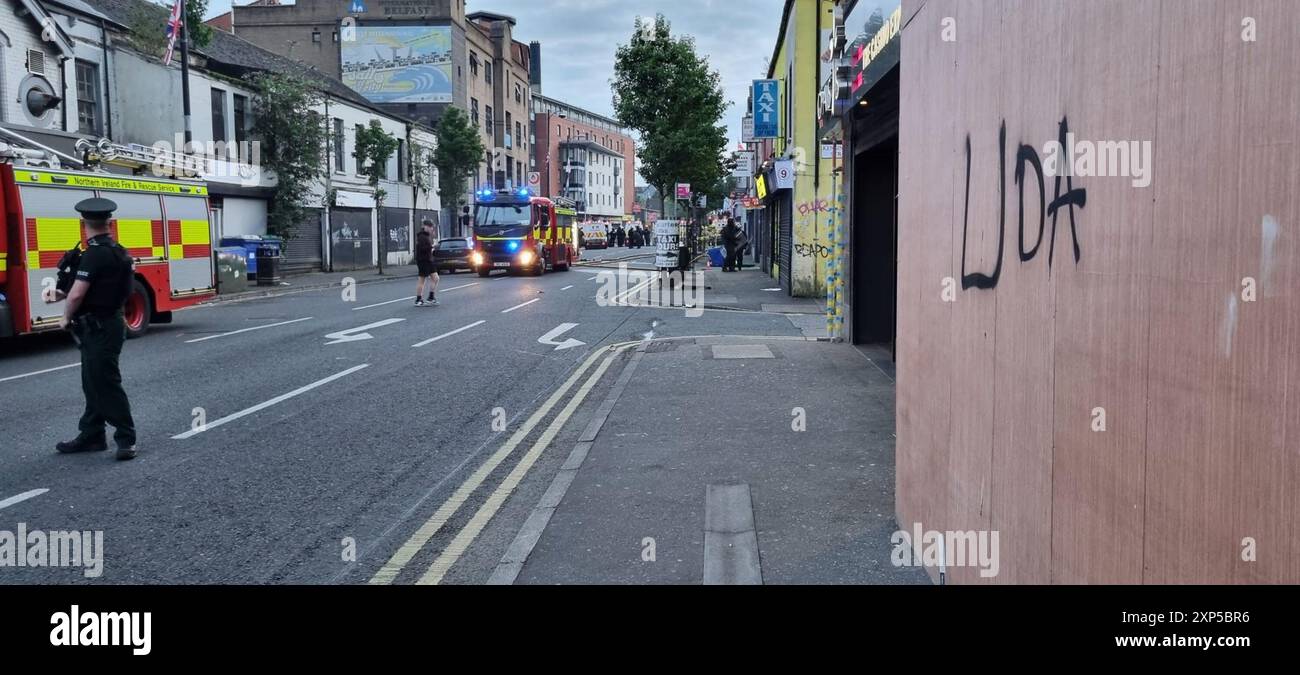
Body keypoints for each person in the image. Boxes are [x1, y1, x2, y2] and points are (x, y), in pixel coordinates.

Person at [46, 198, 138, 460]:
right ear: (110, 223)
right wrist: (58, 293)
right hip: (107, 324)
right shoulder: (118, 251)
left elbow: (76, 295)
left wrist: (65, 317)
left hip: (100, 327)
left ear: (84, 223)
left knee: (105, 382)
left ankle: (126, 438)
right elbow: (91, 288)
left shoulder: (94, 254)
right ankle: (92, 434)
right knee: (93, 381)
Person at [414, 219, 439, 306]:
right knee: (422, 280)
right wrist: (431, 246)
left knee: (435, 278)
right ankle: (418, 299)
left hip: (429, 260)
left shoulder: (427, 236)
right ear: (426, 227)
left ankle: (431, 297)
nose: (432, 229)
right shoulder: (421, 237)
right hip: (423, 260)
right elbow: (422, 249)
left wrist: (432, 247)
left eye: (432, 227)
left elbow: (427, 248)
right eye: (431, 227)